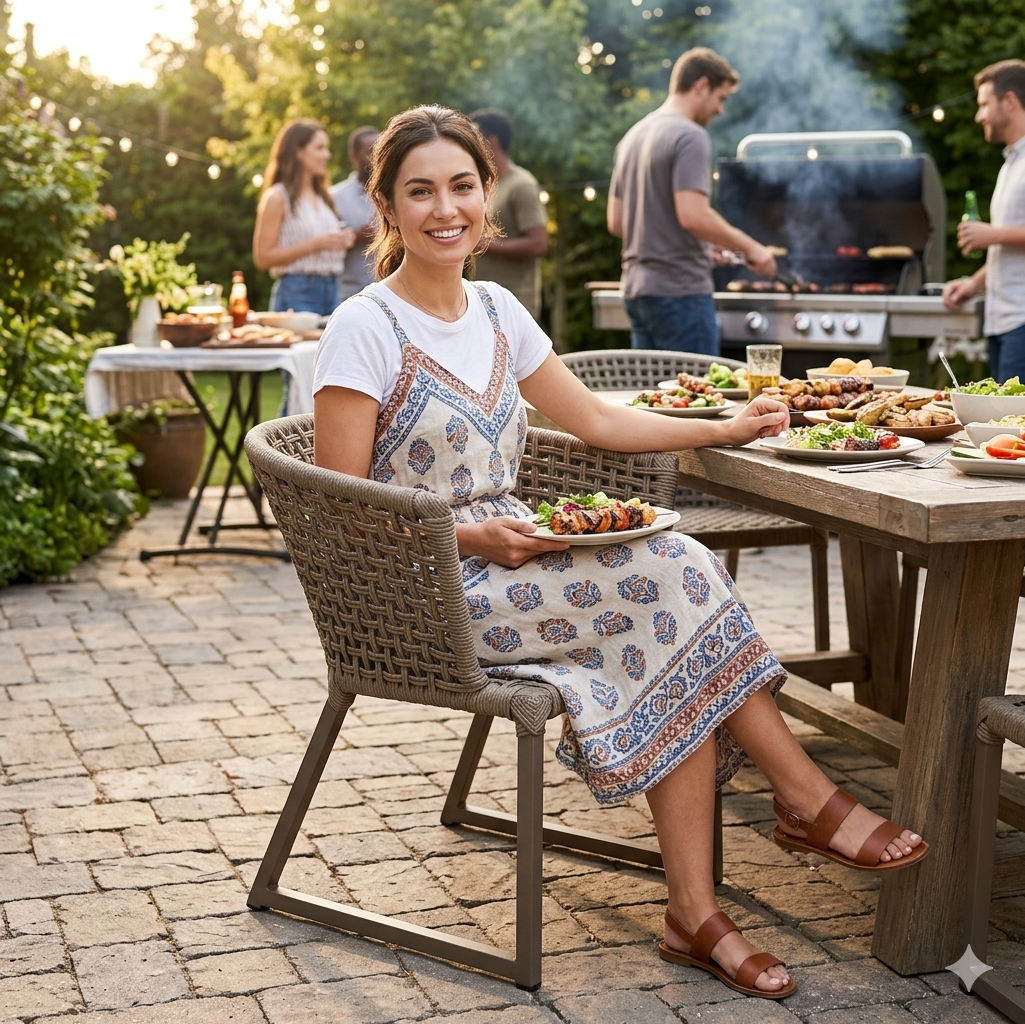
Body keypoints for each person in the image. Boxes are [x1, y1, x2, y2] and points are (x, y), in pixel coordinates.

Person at [312, 104, 927, 999]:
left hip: (519, 559)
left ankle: (698, 911)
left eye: (461, 186)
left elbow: (596, 419)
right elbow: (340, 510)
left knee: (671, 579)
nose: (444, 208)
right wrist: (468, 532)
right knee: (670, 581)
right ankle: (800, 801)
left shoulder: (495, 309)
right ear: (389, 208)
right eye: (420, 192)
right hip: (425, 589)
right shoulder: (364, 326)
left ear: (488, 198)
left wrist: (725, 424)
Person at [608, 48, 777, 354]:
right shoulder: (690, 135)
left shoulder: (631, 137)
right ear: (701, 86)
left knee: (652, 398)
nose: (720, 110)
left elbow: (618, 222)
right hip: (680, 294)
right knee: (699, 397)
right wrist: (751, 247)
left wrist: (699, 245)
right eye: (720, 98)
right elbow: (693, 216)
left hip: (636, 291)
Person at [943, 60, 1025, 383]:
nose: (979, 116)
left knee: (1012, 428)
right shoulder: (1010, 164)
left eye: (983, 104)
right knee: (1001, 427)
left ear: (1009, 101)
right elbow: (1008, 254)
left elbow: (1001, 239)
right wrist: (972, 286)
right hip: (1002, 322)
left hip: (1021, 321)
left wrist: (991, 234)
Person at [253, 118, 356, 315]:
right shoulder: (277, 197)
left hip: (334, 289)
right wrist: (315, 244)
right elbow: (262, 258)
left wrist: (343, 240)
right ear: (298, 152)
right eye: (320, 148)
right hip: (297, 291)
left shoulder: (324, 197)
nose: (327, 155)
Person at [469, 108, 549, 319]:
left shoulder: (521, 185)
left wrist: (484, 244)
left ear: (491, 143)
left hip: (515, 306)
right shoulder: (481, 186)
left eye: (474, 139)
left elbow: (538, 244)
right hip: (479, 302)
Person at [332, 125, 381, 301]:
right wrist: (356, 237)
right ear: (353, 156)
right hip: (350, 295)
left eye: (381, 150)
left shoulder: (399, 193)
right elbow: (324, 248)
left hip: (395, 295)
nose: (376, 157)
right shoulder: (334, 197)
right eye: (370, 151)